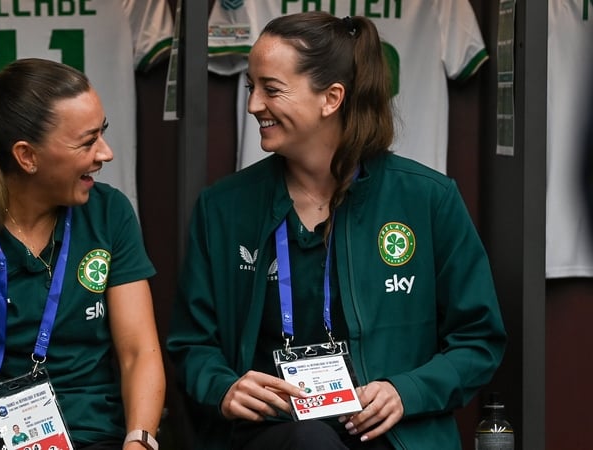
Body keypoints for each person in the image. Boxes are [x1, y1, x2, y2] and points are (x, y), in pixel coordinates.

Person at [166, 12, 506, 450]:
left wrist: (407, 392)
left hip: (394, 432)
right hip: (275, 433)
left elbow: (478, 339)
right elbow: (192, 343)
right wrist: (223, 387)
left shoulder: (428, 199)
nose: (253, 105)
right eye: (252, 87)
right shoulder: (224, 208)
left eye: (271, 89)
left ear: (331, 98)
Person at [0, 58, 165, 450]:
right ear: (27, 156)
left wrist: (139, 441)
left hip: (94, 435)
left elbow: (139, 353)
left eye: (102, 134)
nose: (105, 153)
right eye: (87, 141)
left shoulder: (110, 215)